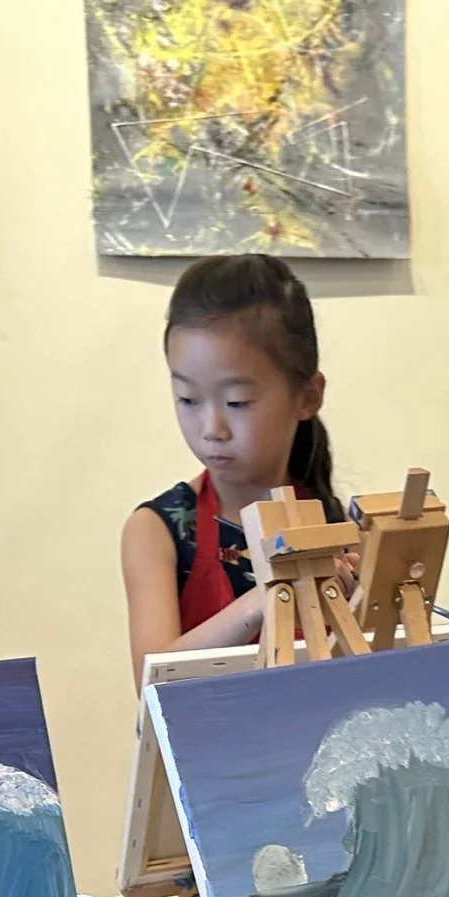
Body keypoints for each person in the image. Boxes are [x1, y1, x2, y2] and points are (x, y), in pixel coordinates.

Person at [120, 254, 343, 682]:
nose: (211, 429)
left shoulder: (335, 526)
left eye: (237, 402)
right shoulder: (157, 530)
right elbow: (154, 682)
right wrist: (266, 600)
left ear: (307, 396)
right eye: (188, 399)